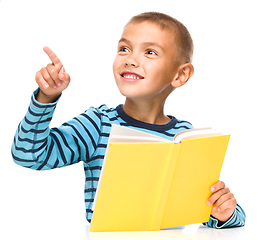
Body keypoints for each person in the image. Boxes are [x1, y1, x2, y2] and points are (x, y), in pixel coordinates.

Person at [11, 12, 245, 228]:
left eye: (150, 52)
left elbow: (213, 212)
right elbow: (27, 155)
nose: (130, 59)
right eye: (124, 49)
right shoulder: (97, 124)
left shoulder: (185, 136)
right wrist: (46, 97)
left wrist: (223, 213)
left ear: (180, 74)